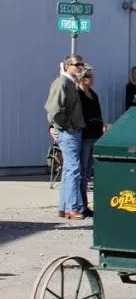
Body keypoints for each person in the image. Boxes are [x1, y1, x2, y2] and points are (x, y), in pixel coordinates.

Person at [46, 54, 88, 219]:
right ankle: (73, 207)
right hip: (69, 132)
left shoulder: (71, 83)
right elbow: (54, 109)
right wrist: (65, 125)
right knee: (73, 168)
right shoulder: (62, 83)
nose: (80, 67)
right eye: (77, 64)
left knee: (68, 170)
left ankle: (64, 207)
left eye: (81, 64)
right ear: (67, 65)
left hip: (73, 131)